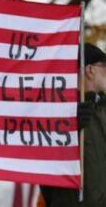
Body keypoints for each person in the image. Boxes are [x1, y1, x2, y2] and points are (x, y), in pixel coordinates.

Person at [40, 43, 106, 207]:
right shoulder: (56, 110)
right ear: (90, 70)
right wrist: (68, 127)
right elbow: (43, 162)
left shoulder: (103, 108)